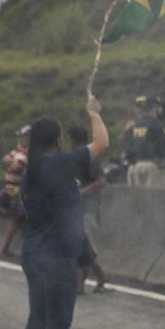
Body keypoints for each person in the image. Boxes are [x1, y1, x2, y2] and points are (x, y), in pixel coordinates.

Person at [17, 98, 110, 329]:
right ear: (58, 140)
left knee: (37, 317)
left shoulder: (31, 169)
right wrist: (94, 113)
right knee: (57, 321)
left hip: (33, 251)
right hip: (57, 256)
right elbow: (102, 143)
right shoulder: (57, 164)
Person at [67, 125, 110, 295]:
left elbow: (102, 181)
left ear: (75, 141)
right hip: (75, 207)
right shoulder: (73, 158)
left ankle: (81, 283)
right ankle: (100, 276)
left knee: (84, 244)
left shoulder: (90, 158)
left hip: (88, 208)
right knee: (83, 245)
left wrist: (82, 192)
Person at [0, 127, 29, 257]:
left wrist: (13, 163)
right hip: (8, 187)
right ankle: (17, 217)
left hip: (18, 189)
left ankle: (4, 249)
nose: (20, 138)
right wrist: (12, 162)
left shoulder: (31, 152)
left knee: (12, 219)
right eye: (20, 136)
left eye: (22, 136)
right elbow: (6, 159)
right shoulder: (18, 150)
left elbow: (18, 167)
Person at [124, 95, 165, 188]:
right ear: (155, 108)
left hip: (135, 166)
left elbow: (128, 146)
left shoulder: (133, 126)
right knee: (157, 197)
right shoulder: (158, 125)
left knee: (137, 198)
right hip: (154, 166)